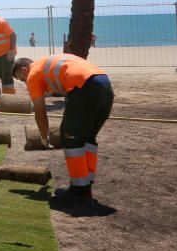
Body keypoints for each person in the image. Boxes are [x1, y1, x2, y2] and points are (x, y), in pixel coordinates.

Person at [13, 54, 113, 201]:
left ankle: (79, 189)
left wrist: (44, 136)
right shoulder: (46, 63)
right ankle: (87, 181)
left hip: (83, 86)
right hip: (105, 85)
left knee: (69, 137)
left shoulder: (33, 75)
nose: (24, 82)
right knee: (87, 138)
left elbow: (40, 112)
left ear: (24, 69)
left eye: (21, 78)